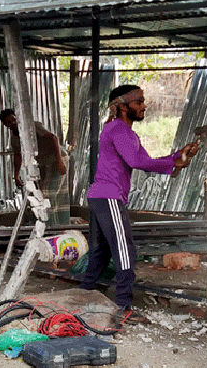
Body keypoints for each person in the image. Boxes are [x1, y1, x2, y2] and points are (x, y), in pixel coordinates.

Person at [79, 85, 198, 325]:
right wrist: (173, 163)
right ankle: (123, 306)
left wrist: (177, 157)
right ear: (123, 106)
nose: (144, 106)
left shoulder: (125, 132)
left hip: (102, 196)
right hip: (109, 196)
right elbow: (136, 161)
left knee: (102, 251)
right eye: (139, 102)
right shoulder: (119, 130)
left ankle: (82, 295)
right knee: (125, 251)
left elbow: (145, 160)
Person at [0, 108, 70, 225]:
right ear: (6, 125)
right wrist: (16, 175)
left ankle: (54, 224)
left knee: (48, 193)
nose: (12, 123)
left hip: (56, 158)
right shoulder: (14, 138)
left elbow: (53, 138)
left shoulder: (32, 127)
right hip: (43, 163)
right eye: (9, 122)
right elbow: (18, 156)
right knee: (41, 193)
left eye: (13, 119)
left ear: (17, 118)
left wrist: (59, 161)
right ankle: (49, 223)